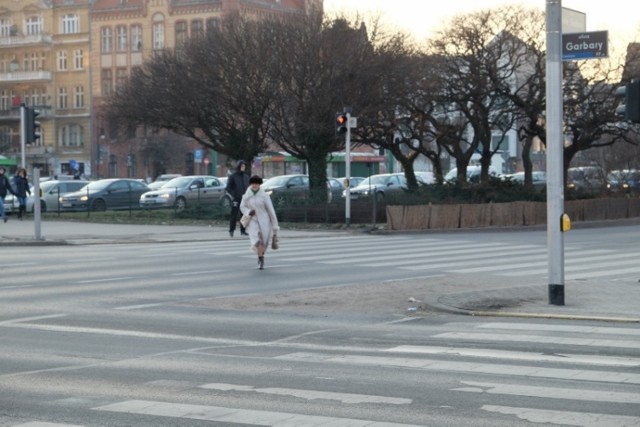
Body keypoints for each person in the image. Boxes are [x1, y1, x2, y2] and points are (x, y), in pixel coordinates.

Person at [240, 175, 279, 270]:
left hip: (264, 222)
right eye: (253, 183)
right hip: (252, 221)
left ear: (259, 184)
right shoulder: (246, 195)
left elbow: (271, 210)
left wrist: (275, 225)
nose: (254, 185)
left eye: (256, 183)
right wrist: (248, 212)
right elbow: (242, 207)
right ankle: (261, 260)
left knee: (263, 242)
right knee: (257, 241)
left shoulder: (264, 196)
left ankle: (260, 256)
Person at [226, 160, 249, 237]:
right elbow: (228, 188)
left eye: (244, 166)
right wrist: (234, 195)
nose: (244, 167)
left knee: (244, 215)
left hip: (244, 199)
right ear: (239, 167)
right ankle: (231, 230)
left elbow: (248, 187)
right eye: (242, 166)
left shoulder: (245, 176)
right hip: (236, 198)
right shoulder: (233, 176)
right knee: (234, 215)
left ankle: (243, 230)